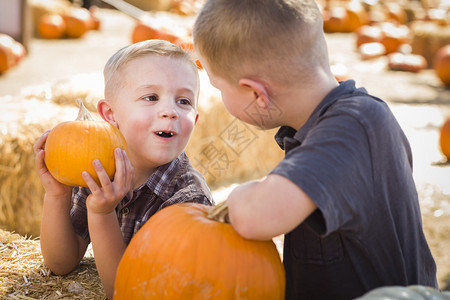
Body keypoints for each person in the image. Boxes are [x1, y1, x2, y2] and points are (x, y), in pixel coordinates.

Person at [193, 0, 438, 299]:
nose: (219, 97)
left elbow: (257, 216)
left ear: (257, 93)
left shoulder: (353, 127)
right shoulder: (319, 127)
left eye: (218, 88)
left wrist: (239, 196)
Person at [33, 39, 213, 299]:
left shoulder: (188, 202)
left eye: (184, 101)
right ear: (110, 114)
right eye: (151, 97)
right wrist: (57, 195)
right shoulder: (97, 172)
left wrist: (102, 214)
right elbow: (60, 263)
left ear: (194, 119)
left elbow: (126, 293)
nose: (170, 111)